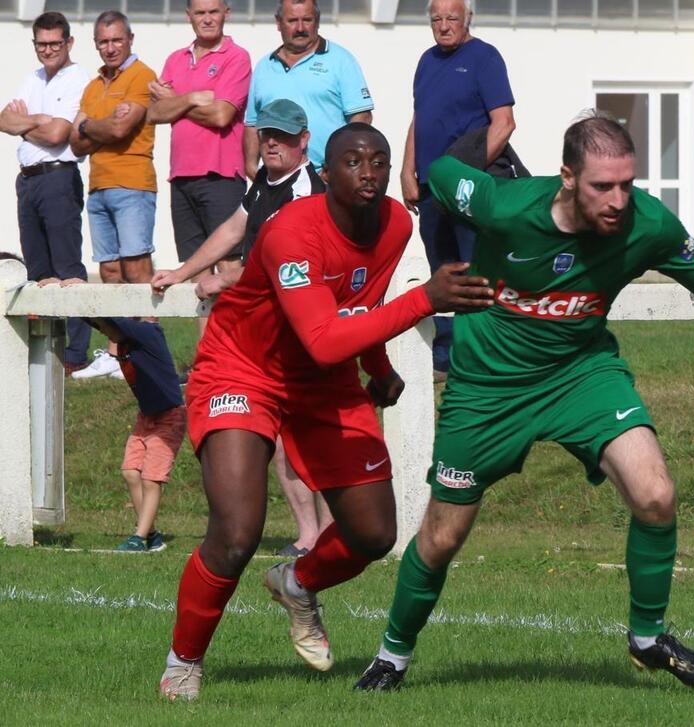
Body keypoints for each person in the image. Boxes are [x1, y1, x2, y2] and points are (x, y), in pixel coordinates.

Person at [354, 115, 694, 692]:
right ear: (566, 178)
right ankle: (392, 657)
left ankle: (647, 638)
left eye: (626, 184)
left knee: (656, 493)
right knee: (441, 538)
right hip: (488, 388)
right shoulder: (505, 207)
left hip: (582, 374)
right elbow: (440, 170)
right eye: (601, 187)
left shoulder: (647, 223)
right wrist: (484, 132)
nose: (617, 201)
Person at [157, 123, 494, 702]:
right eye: (353, 162)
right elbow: (321, 337)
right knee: (238, 532)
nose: (368, 172)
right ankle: (183, 662)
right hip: (244, 369)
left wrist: (380, 368)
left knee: (373, 532)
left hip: (324, 381)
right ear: (327, 172)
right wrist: (424, 300)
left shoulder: (395, 223)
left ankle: (297, 581)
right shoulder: (292, 231)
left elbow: (355, 308)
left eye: (380, 161)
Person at [151, 98, 331, 556]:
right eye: (267, 134)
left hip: (302, 331)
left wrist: (227, 277)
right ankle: (310, 533)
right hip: (264, 332)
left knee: (306, 437)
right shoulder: (266, 184)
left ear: (304, 141)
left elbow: (285, 264)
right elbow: (234, 229)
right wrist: (183, 271)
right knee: (274, 436)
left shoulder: (306, 191)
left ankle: (331, 531)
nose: (273, 143)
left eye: (284, 136)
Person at [402, 0, 516, 381]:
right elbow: (420, 118)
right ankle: (444, 360)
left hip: (469, 188)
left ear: (467, 19)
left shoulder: (484, 57)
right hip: (431, 188)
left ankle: (481, 358)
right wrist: (406, 170)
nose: (444, 25)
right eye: (436, 19)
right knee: (442, 272)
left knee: (475, 272)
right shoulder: (424, 61)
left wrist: (466, 177)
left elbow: (504, 124)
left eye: (452, 18)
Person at [147, 0, 251, 342]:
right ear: (188, 16)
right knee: (197, 274)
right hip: (182, 178)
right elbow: (155, 114)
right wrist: (193, 99)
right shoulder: (176, 59)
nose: (207, 19)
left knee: (230, 266)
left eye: (214, 12)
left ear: (226, 14)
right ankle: (208, 360)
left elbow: (222, 115)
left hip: (221, 174)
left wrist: (175, 98)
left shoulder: (236, 57)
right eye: (200, 13)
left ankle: (240, 354)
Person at [0, 12, 92, 375]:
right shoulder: (32, 78)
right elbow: (4, 120)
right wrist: (40, 121)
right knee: (39, 268)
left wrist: (29, 124)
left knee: (67, 267)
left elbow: (59, 136)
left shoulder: (77, 78)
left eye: (55, 43)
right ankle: (45, 345)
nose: (48, 50)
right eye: (42, 44)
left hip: (58, 177)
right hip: (29, 179)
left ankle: (77, 350)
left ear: (68, 43)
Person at [69, 11, 158, 380]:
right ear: (96, 44)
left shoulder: (143, 76)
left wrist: (92, 127)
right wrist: (93, 127)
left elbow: (123, 129)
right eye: (103, 41)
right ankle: (117, 352)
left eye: (116, 40)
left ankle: (149, 349)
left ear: (130, 39)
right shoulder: (92, 86)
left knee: (137, 268)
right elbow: (76, 143)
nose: (110, 48)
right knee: (108, 270)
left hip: (133, 182)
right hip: (98, 185)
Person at [80, 315, 186, 552]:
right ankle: (152, 536)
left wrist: (104, 313)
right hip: (146, 415)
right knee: (130, 472)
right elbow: (94, 316)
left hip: (169, 415)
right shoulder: (123, 343)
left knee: (151, 478)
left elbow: (114, 317)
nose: (104, 333)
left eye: (105, 327)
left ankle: (138, 538)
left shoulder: (148, 334)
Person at [243, 0, 372, 177]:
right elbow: (252, 124)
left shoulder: (341, 60)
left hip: (325, 178)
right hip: (276, 180)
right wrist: (251, 167)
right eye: (292, 20)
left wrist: (335, 167)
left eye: (308, 20)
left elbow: (361, 118)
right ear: (278, 23)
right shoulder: (264, 66)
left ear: (317, 22)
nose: (300, 28)